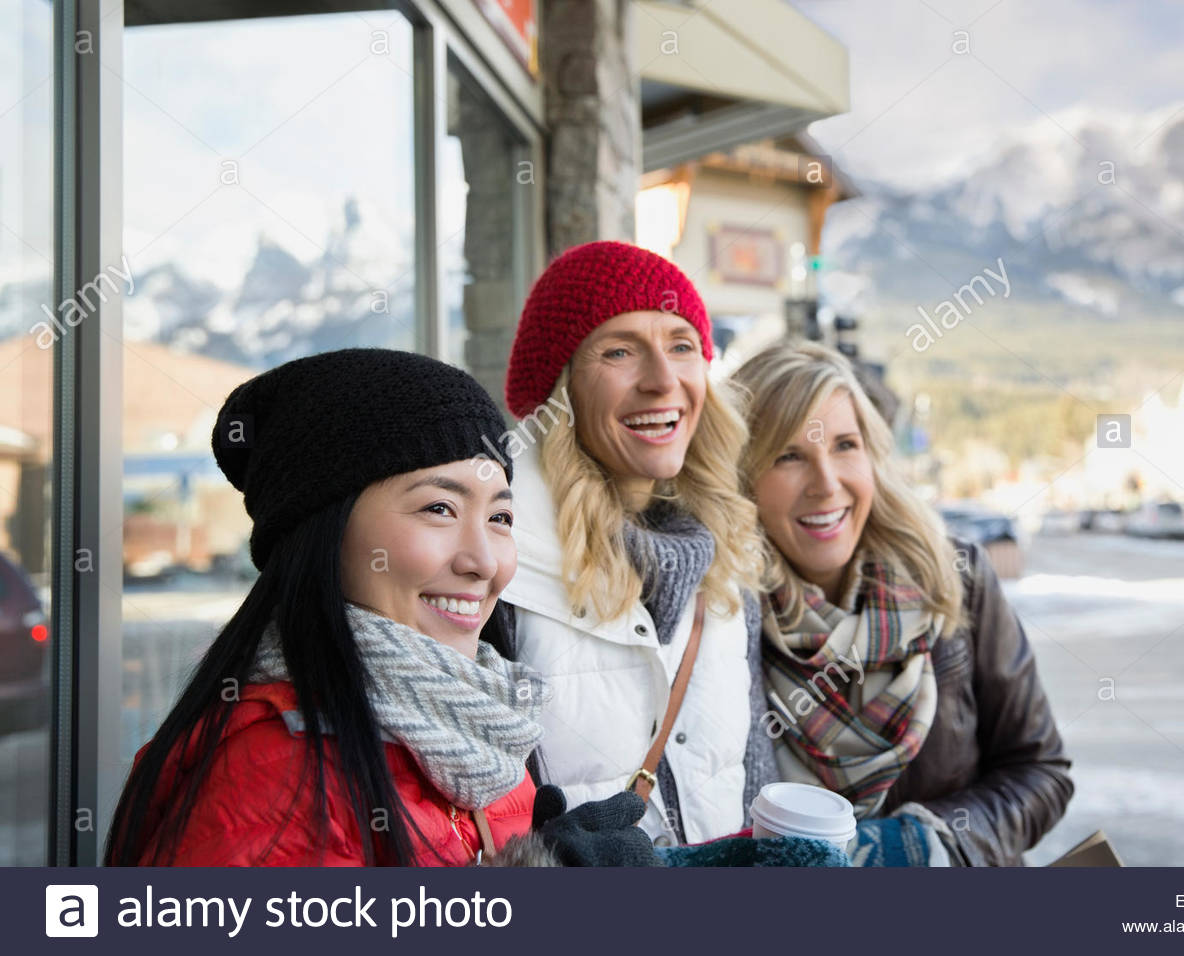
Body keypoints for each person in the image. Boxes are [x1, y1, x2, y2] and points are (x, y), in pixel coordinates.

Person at [105, 348, 656, 867]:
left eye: (500, 518)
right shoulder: (276, 769)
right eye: (439, 508)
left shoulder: (482, 730)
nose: (485, 562)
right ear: (326, 532)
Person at [731, 341, 1073, 866]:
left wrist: (927, 845)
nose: (826, 484)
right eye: (788, 455)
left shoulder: (954, 578)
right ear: (742, 477)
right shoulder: (722, 617)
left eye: (845, 445)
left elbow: (1040, 771)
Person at [498, 241, 776, 847]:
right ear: (560, 390)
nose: (662, 380)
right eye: (619, 350)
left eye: (682, 346)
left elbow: (752, 775)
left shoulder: (726, 559)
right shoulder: (499, 571)